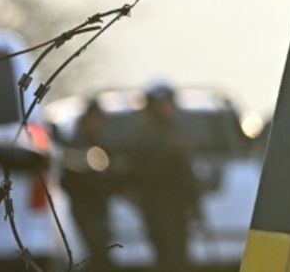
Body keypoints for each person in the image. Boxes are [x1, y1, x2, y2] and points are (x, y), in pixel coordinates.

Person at [128, 82, 200, 272]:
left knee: (178, 255)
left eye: (167, 103)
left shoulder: (175, 131)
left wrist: (193, 200)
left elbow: (186, 172)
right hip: (158, 204)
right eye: (160, 104)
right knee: (168, 255)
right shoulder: (146, 135)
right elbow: (141, 173)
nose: (165, 108)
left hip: (177, 205)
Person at [61, 99, 116, 272]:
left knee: (101, 251)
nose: (98, 124)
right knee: (95, 251)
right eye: (95, 119)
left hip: (99, 206)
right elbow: (67, 179)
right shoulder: (77, 145)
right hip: (84, 207)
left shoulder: (100, 141)